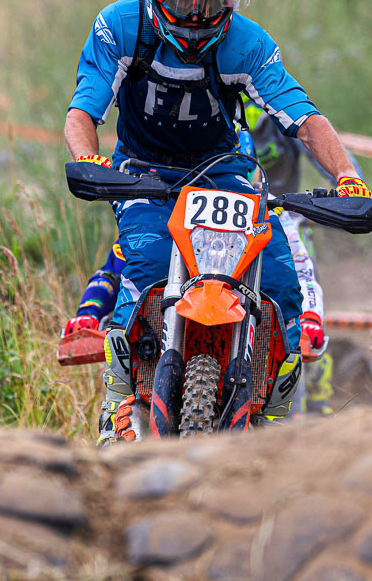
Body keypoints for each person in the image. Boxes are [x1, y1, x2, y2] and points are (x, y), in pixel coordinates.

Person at [65, 0, 371, 443]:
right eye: (183, 0)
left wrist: (348, 177)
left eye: (209, 2)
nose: (195, 16)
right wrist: (88, 159)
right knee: (143, 263)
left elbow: (303, 117)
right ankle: (116, 403)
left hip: (224, 168)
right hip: (143, 169)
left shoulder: (246, 43)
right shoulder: (120, 26)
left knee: (281, 282)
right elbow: (84, 108)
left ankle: (276, 419)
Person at [62, 103, 339, 415]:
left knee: (294, 355)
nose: (230, 187)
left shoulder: (271, 217)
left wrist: (311, 317)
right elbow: (115, 268)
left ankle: (300, 413)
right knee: (134, 369)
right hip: (174, 326)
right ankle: (118, 414)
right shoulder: (173, 217)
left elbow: (303, 272)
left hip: (246, 328)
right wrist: (88, 312)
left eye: (239, 179)